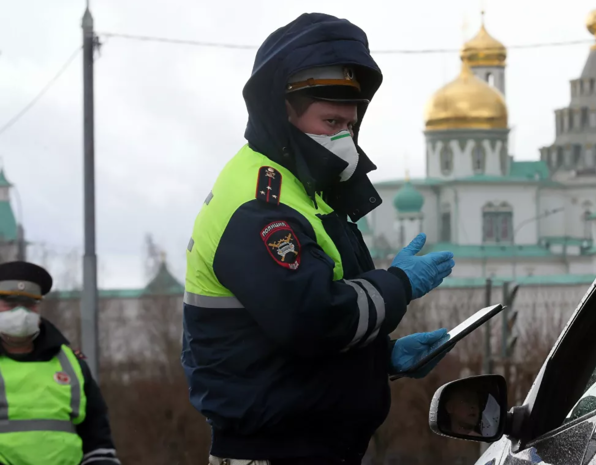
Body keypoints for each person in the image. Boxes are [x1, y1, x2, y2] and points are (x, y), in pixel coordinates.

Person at [181, 12, 456, 465]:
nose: (344, 137)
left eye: (350, 125)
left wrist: (380, 359)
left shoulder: (305, 191)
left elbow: (284, 341)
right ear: (283, 112)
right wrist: (400, 285)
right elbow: (314, 319)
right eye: (331, 123)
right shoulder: (260, 204)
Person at [0, 261, 119, 465]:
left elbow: (98, 441)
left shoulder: (71, 364)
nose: (21, 312)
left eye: (29, 304)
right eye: (11, 303)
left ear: (39, 307)